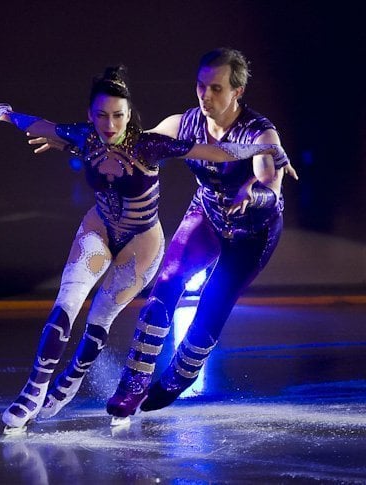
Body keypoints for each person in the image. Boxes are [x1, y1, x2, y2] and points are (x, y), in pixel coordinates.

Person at [0, 65, 288, 433]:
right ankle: (37, 390)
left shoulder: (158, 143)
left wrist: (266, 151)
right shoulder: (90, 136)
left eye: (118, 116)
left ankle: (90, 378)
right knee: (70, 305)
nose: (109, 125)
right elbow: (40, 125)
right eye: (101, 116)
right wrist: (6, 114)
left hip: (185, 239)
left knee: (121, 316)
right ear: (90, 116)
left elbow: (227, 157)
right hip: (118, 226)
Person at [102, 48, 297, 418]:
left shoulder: (259, 131)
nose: (206, 96)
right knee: (168, 281)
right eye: (201, 86)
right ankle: (133, 382)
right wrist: (93, 138)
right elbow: (135, 143)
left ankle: (178, 378)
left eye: (216, 89)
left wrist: (251, 193)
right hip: (206, 215)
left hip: (253, 234)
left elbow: (271, 186)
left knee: (213, 303)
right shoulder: (184, 124)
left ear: (237, 92)